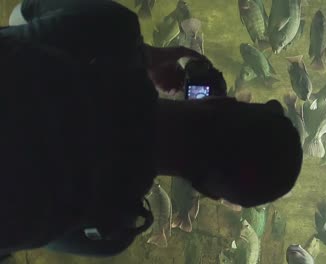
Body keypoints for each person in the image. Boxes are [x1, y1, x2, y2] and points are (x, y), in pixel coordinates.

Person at [0, 0, 302, 259]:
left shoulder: (114, 30)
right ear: (205, 190)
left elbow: (25, 13)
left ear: (222, 101)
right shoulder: (109, 231)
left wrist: (138, 54)